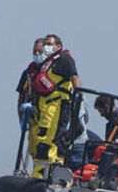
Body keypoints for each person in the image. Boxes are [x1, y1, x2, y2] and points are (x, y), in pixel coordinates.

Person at [29, 34, 82, 178]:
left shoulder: (64, 59)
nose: (46, 47)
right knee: (40, 140)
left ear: (58, 46)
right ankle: (40, 172)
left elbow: (75, 78)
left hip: (56, 107)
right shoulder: (48, 63)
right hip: (44, 109)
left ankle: (49, 173)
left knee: (51, 141)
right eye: (45, 44)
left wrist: (78, 97)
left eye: (49, 44)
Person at [16, 37, 45, 120]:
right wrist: (21, 118)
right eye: (35, 51)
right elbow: (21, 97)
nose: (37, 53)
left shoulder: (53, 72)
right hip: (31, 114)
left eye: (40, 51)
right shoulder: (27, 73)